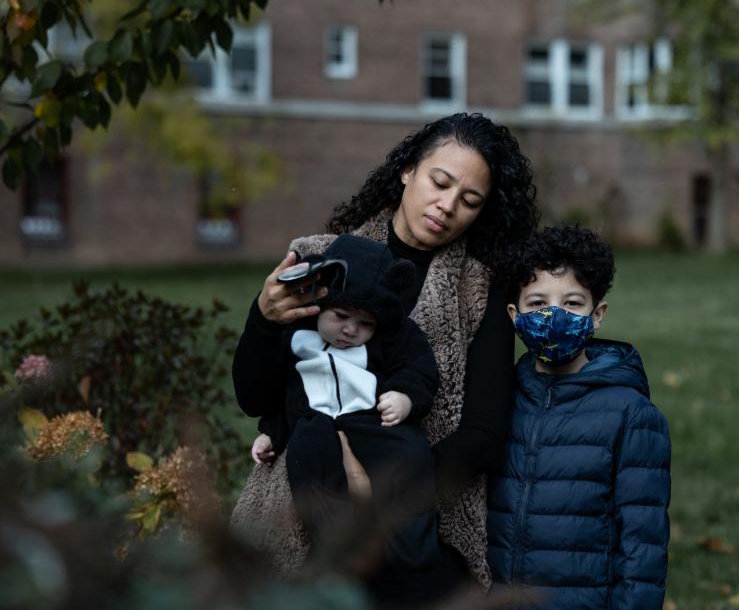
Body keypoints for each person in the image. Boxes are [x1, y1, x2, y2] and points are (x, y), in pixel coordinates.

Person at [231, 112, 540, 603]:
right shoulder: (319, 260)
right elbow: (254, 397)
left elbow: (483, 436)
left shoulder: (479, 289)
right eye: (440, 182)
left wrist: (382, 495)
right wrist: (264, 319)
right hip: (300, 505)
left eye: (470, 200)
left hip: (420, 522)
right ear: (407, 170)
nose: (447, 206)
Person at [486, 225, 671, 610]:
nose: (554, 315)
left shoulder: (631, 414)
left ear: (597, 314)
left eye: (572, 303)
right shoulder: (500, 398)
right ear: (514, 315)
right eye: (537, 304)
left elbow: (643, 547)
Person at [239, 233, 441, 573]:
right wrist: (271, 433)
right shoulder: (297, 336)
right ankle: (334, 539)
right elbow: (286, 394)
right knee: (306, 454)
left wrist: (405, 397)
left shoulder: (388, 339)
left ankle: (414, 543)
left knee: (410, 450)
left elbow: (419, 367)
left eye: (365, 324)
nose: (350, 330)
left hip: (370, 419)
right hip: (315, 424)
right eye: (341, 316)